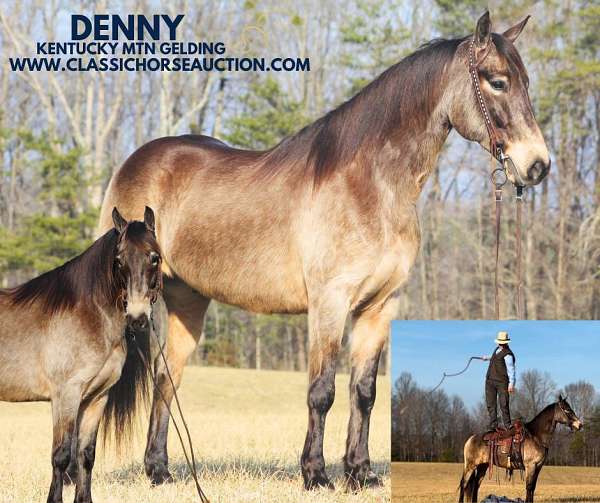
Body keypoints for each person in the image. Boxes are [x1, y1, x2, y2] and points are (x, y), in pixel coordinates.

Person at [482, 331, 516, 431]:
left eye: (502, 342)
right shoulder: (497, 349)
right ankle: (493, 425)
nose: (500, 344)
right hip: (490, 380)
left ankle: (507, 425)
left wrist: (511, 384)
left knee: (503, 403)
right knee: (491, 404)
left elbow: (511, 370)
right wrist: (486, 358)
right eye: (499, 342)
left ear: (506, 343)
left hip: (502, 382)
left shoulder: (508, 355)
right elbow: (495, 357)